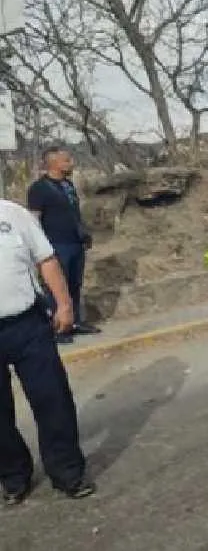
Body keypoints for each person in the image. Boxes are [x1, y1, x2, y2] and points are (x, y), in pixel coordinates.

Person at [1, 199, 96, 505]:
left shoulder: (12, 213)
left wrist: (65, 304)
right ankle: (13, 475)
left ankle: (67, 472)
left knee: (53, 399)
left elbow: (46, 258)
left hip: (27, 323)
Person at [27, 147, 101, 344]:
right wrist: (40, 248)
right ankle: (59, 328)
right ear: (54, 164)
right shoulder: (39, 189)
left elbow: (73, 213)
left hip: (75, 242)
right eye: (67, 161)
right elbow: (34, 220)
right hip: (55, 244)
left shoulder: (68, 185)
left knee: (75, 284)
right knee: (58, 287)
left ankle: (75, 321)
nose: (72, 163)